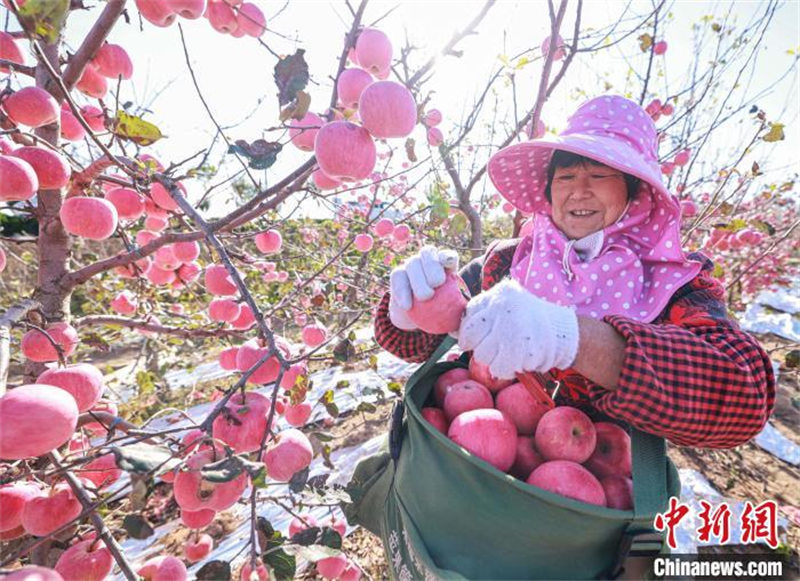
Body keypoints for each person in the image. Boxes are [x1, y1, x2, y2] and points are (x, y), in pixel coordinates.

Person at [374, 94, 775, 449]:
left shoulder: (671, 286)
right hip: (477, 470)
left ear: (634, 191)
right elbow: (420, 347)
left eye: (600, 174)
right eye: (565, 176)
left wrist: (574, 339)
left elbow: (745, 400)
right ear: (548, 192)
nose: (578, 190)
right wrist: (410, 310)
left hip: (585, 504)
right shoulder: (508, 262)